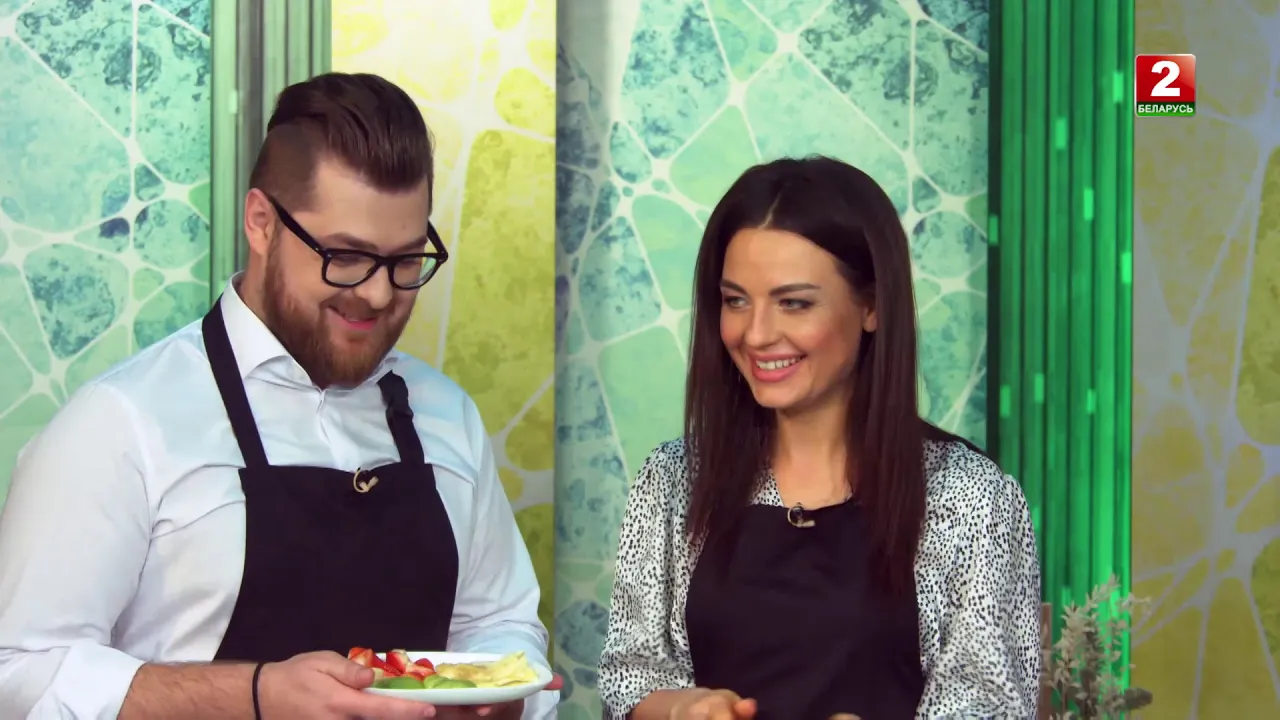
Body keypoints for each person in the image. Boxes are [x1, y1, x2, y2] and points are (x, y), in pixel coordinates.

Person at [0, 73, 557, 720]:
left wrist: (501, 698)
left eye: (407, 261)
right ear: (261, 223)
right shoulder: (121, 424)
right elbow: (19, 674)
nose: (378, 294)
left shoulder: (447, 415)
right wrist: (254, 695)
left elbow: (502, 625)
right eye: (345, 257)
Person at [597, 157, 1042, 720]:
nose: (756, 334)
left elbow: (991, 704)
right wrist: (681, 709)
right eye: (735, 300)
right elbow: (629, 676)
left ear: (872, 305)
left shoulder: (971, 497)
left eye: (794, 303)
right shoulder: (671, 480)